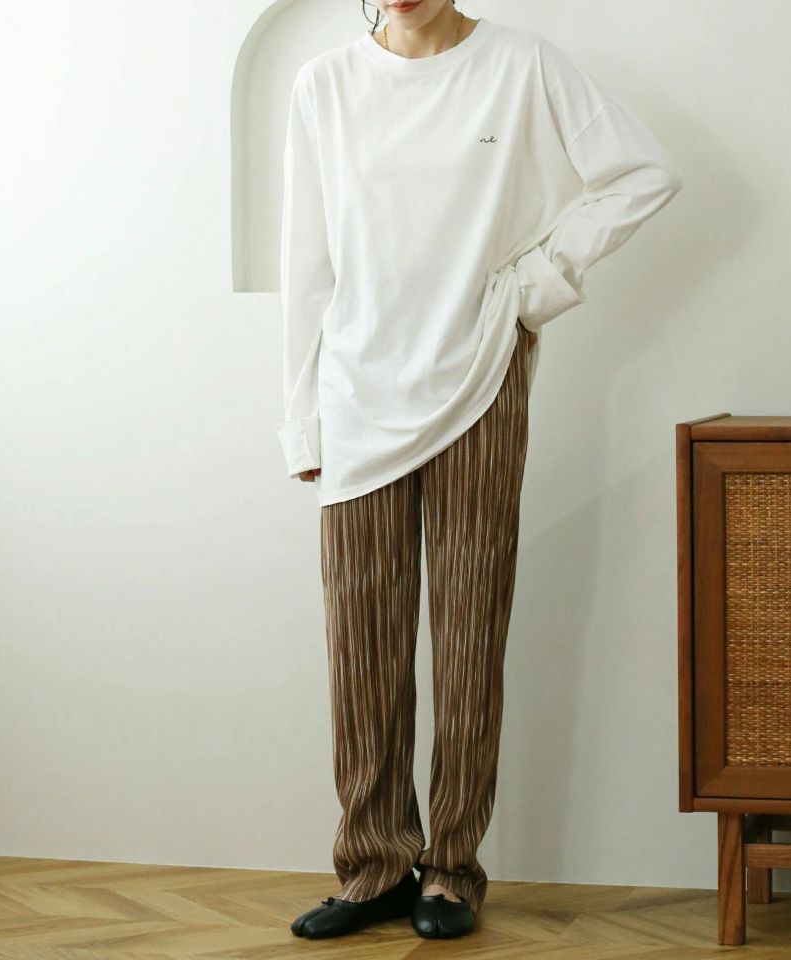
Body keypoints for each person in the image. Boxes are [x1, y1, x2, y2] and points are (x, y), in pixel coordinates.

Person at [277, 0, 683, 941]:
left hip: (481, 378)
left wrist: (537, 285)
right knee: (362, 646)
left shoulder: (524, 65)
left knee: (468, 635)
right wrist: (301, 422)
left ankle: (452, 870)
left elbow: (644, 173)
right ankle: (375, 864)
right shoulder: (324, 85)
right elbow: (307, 265)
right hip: (357, 395)